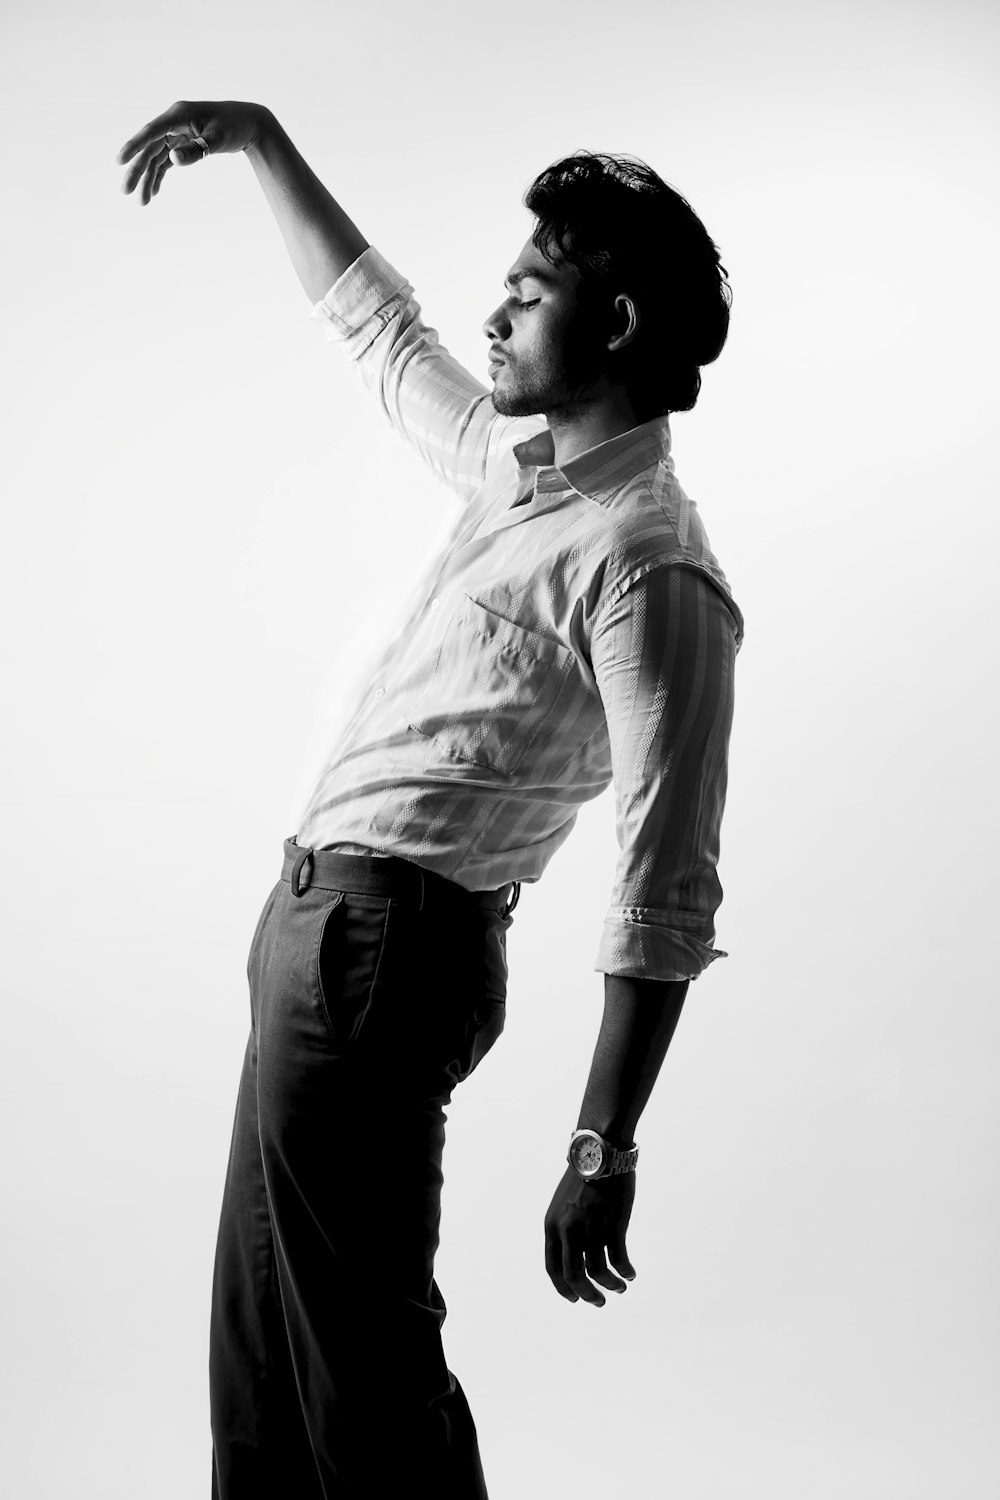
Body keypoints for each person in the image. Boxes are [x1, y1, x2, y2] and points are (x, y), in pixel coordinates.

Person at [115, 99, 745, 1500]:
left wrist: (603, 1145)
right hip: (315, 934)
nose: (499, 308)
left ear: (621, 324)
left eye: (533, 289)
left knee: (361, 1368)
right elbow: (381, 333)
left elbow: (666, 886)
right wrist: (265, 142)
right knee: (260, 1362)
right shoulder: (515, 473)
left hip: (385, 951)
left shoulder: (649, 567)